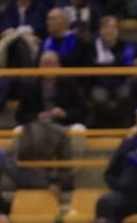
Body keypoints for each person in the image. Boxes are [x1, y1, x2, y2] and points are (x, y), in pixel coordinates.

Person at [14, 50, 87, 190]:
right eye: (45, 64)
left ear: (59, 66)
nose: (49, 68)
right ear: (39, 66)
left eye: (52, 64)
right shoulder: (30, 85)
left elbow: (82, 111)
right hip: (38, 126)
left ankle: (68, 176)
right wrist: (37, 116)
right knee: (17, 132)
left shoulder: (70, 83)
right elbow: (20, 115)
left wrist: (65, 114)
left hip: (64, 124)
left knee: (79, 131)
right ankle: (27, 177)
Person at [88, 14, 137, 127]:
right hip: (100, 85)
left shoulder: (126, 46)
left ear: (117, 31)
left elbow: (129, 64)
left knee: (127, 94)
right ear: (100, 30)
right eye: (106, 27)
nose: (109, 31)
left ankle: (126, 129)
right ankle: (101, 131)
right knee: (98, 97)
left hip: (120, 83)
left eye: (113, 27)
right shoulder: (92, 47)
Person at [0, 0, 48, 70]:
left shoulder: (39, 7)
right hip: (13, 44)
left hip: (34, 43)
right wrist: (22, 33)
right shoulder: (9, 9)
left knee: (21, 43)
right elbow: (5, 29)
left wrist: (16, 32)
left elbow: (38, 28)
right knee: (16, 43)